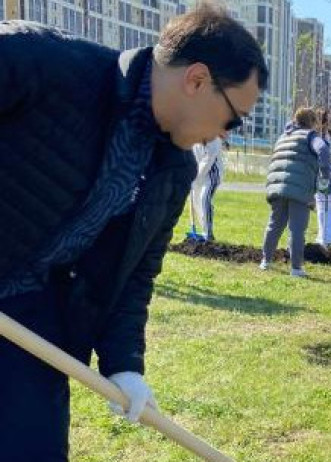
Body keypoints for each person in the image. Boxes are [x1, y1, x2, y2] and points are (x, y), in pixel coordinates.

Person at [0, 6, 266, 459]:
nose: (227, 137)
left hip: (29, 313)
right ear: (197, 80)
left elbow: (133, 277)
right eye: (232, 120)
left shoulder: (172, 170)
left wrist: (125, 366)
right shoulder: (45, 63)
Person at [260, 107, 331, 277]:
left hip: (276, 187)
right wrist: (324, 177)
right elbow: (323, 150)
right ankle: (296, 268)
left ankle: (265, 261)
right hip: (299, 189)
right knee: (297, 229)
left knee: (274, 226)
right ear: (312, 123)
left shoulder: (284, 136)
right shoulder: (311, 136)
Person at [314, 109, 331, 249]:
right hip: (322, 177)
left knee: (330, 206)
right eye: (326, 120)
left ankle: (327, 237)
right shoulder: (316, 137)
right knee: (322, 206)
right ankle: (324, 238)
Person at [191, 136, 226, 241]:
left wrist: (196, 176)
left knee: (204, 198)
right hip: (196, 174)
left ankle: (208, 233)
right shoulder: (192, 134)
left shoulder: (213, 136)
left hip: (212, 174)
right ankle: (204, 229)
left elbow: (209, 158)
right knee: (196, 201)